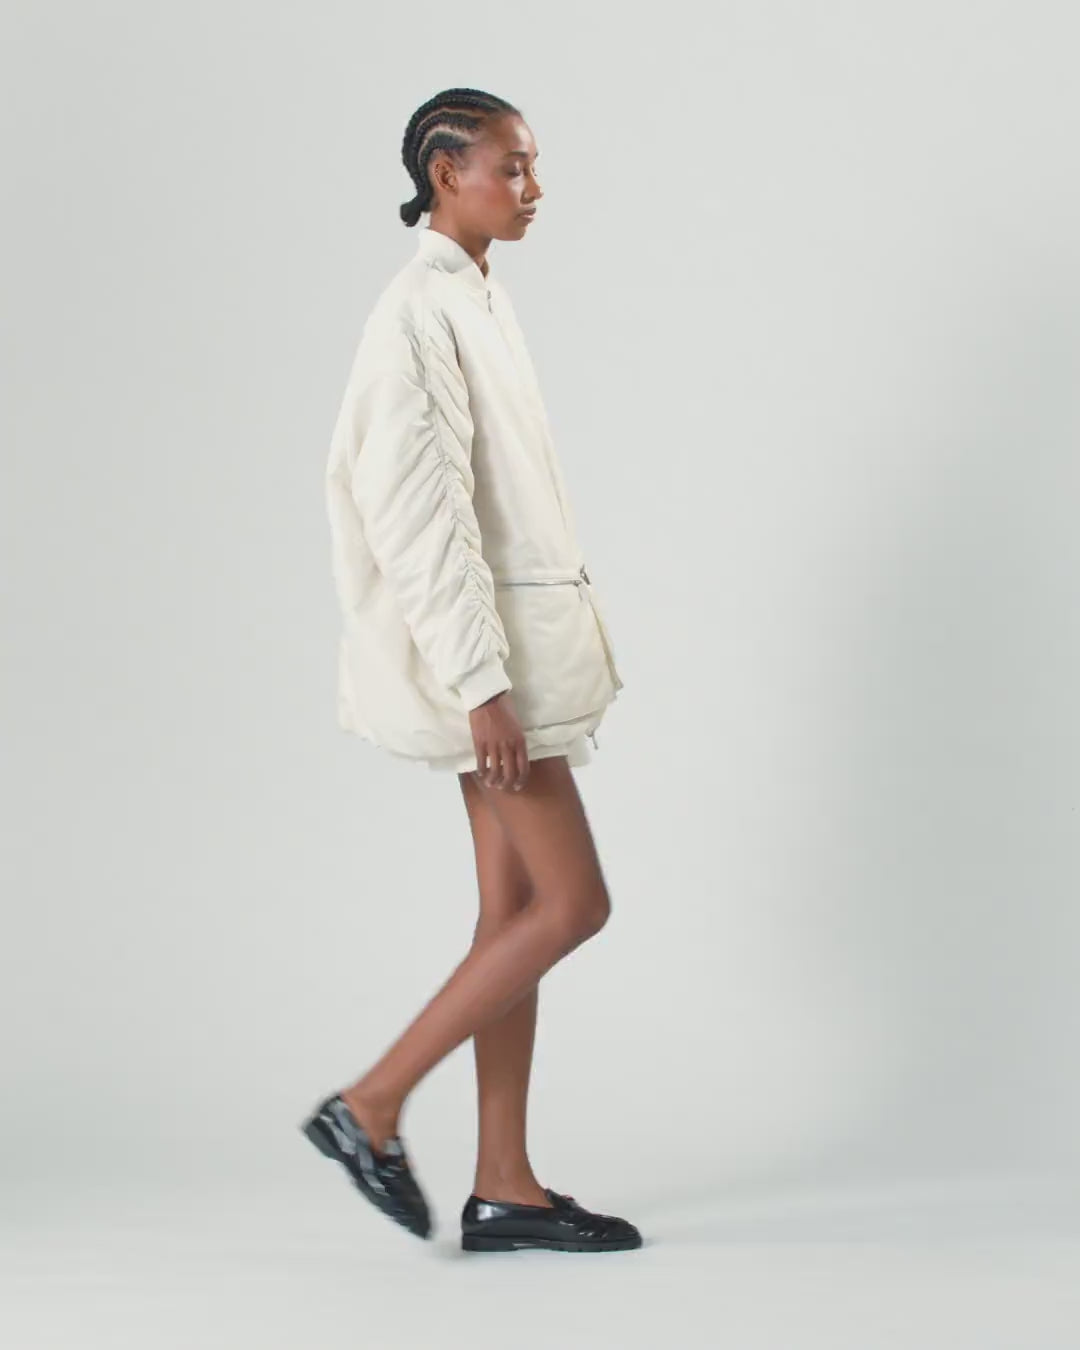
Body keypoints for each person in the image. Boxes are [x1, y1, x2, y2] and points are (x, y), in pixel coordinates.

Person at [302, 88, 640, 1255]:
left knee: (512, 915)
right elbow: (419, 517)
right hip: (495, 674)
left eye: (534, 166)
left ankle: (505, 1186)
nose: (534, 188)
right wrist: (481, 686)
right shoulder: (417, 315)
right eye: (514, 165)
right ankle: (370, 1104)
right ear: (449, 173)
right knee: (574, 905)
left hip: (507, 656)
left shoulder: (475, 296)